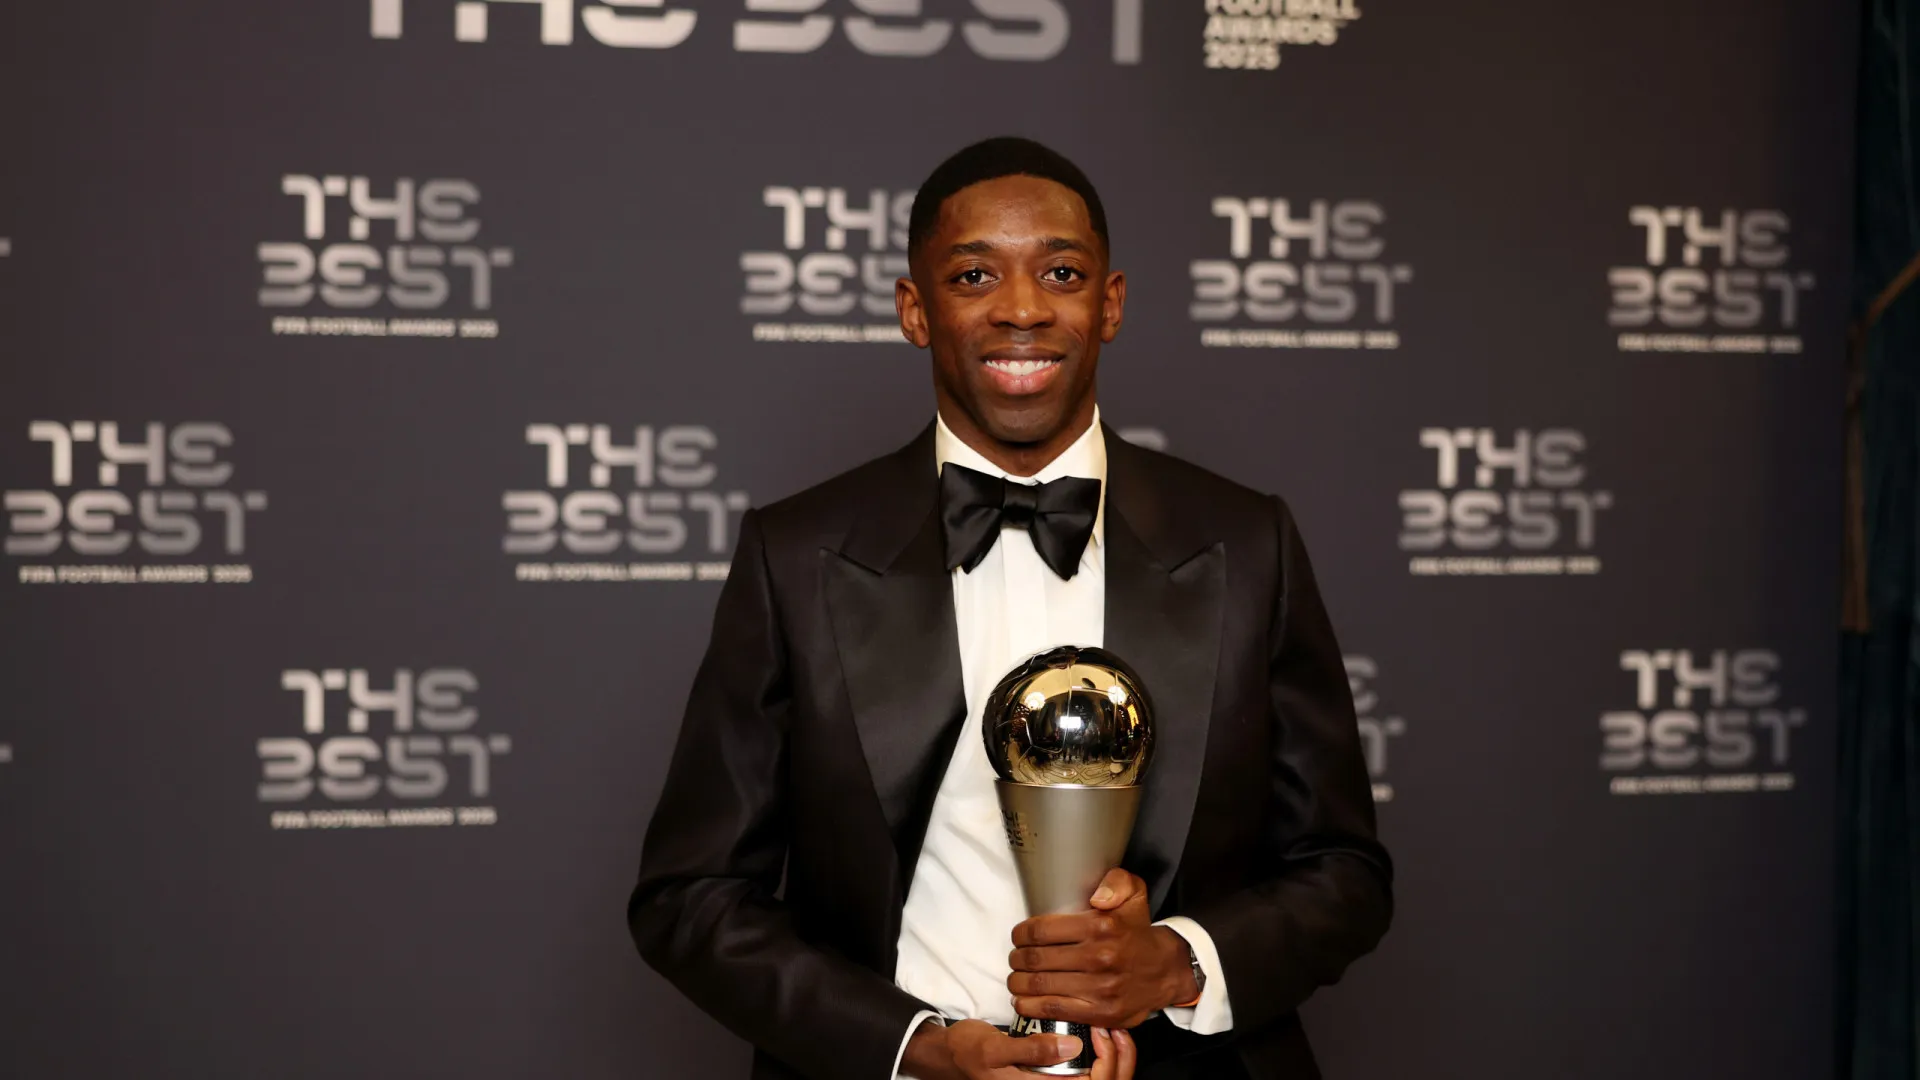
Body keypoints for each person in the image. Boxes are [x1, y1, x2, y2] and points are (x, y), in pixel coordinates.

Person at [628, 136, 1391, 1080]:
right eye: (974, 275)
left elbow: (1343, 870)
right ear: (916, 310)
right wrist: (916, 1048)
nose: (1022, 309)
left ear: (1110, 303)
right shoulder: (795, 557)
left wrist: (1179, 963)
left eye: (1061, 273)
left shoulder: (1247, 542)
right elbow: (692, 897)